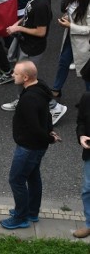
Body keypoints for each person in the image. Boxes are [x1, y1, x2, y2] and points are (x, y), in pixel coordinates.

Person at [1, 61, 62, 229]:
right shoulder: (40, 87)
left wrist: (49, 138)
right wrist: (49, 131)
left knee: (16, 180)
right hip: (37, 147)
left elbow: (34, 127)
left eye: (16, 73)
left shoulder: (29, 98)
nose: (13, 75)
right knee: (33, 177)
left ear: (26, 77)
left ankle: (21, 217)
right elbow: (46, 115)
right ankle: (32, 212)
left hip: (28, 147)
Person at [53, 0, 90, 101]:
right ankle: (56, 89)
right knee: (63, 62)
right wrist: (67, 18)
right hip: (71, 37)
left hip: (84, 43)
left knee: (86, 73)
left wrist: (70, 25)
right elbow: (64, 7)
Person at [76, 90, 90, 239]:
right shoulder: (87, 97)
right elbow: (80, 121)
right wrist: (81, 135)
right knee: (88, 189)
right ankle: (89, 224)